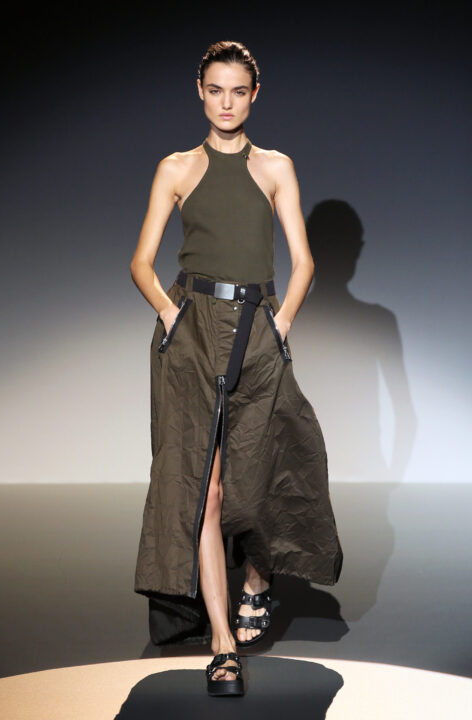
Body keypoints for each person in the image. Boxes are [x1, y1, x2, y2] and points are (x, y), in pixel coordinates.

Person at [130, 40, 343, 697]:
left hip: (257, 328)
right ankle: (222, 644)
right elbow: (141, 260)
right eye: (215, 89)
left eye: (238, 91)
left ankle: (256, 574)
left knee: (258, 479)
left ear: (255, 95)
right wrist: (169, 314)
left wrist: (280, 324)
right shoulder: (176, 168)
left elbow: (303, 261)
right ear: (200, 89)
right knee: (205, 486)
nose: (226, 102)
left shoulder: (275, 166)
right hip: (192, 330)